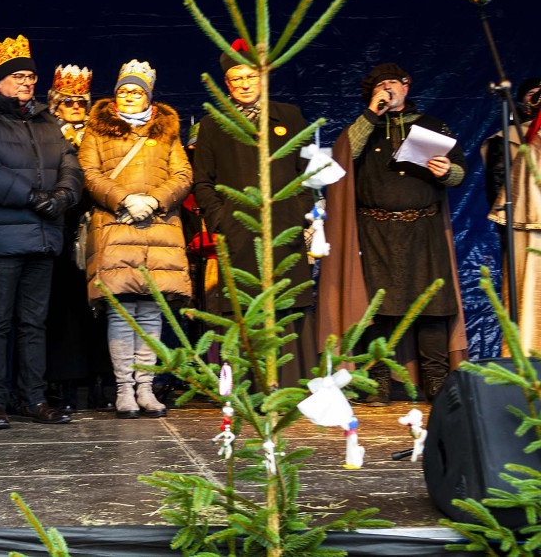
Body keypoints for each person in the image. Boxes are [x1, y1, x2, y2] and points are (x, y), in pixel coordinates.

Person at [0, 34, 83, 429]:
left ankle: (33, 398)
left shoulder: (46, 121)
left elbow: (71, 166)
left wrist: (61, 197)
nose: (27, 82)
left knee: (33, 323)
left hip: (41, 237)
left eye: (31, 76)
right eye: (18, 76)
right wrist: (32, 197)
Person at [317, 63, 468, 403]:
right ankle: (378, 380)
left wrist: (447, 171)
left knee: (432, 305)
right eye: (380, 85)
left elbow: (459, 172)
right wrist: (372, 114)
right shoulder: (364, 128)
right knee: (377, 307)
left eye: (393, 83)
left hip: (423, 228)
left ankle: (436, 379)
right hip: (375, 230)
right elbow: (342, 159)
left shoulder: (433, 127)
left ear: (406, 85)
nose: (388, 89)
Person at [192, 42, 315, 388]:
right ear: (227, 85)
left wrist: (304, 217)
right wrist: (222, 220)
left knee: (288, 305)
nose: (244, 84)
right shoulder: (213, 125)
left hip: (286, 229)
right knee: (243, 309)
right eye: (236, 78)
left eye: (251, 76)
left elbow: (309, 172)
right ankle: (252, 388)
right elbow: (203, 182)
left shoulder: (289, 117)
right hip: (239, 233)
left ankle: (291, 388)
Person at [78, 60, 192, 418]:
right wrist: (125, 199)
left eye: (137, 91)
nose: (129, 96)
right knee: (122, 311)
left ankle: (147, 387)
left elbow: (184, 173)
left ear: (148, 96)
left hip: (157, 228)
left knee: (151, 312)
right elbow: (89, 172)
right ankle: (124, 389)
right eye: (123, 90)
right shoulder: (97, 130)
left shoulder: (166, 132)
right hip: (116, 226)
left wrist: (155, 200)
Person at [43, 65, 111, 412]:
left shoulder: (100, 135)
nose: (74, 107)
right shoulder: (44, 132)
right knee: (63, 306)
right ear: (55, 103)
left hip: (95, 225)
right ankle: (64, 380)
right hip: (59, 224)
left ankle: (102, 379)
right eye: (67, 101)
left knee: (98, 305)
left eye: (80, 101)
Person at [483, 80, 541, 354]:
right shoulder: (509, 139)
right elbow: (499, 191)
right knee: (526, 295)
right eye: (533, 96)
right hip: (524, 231)